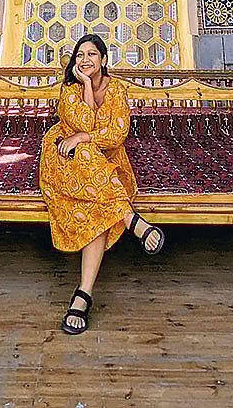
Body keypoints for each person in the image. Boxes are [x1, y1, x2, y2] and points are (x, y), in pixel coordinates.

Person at [38, 33, 165, 335]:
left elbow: (116, 134)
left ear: (104, 59)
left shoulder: (117, 89)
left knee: (97, 204)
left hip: (107, 163)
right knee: (83, 153)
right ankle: (132, 220)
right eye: (80, 55)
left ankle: (83, 294)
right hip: (63, 158)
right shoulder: (69, 88)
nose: (85, 60)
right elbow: (84, 123)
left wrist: (83, 137)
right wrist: (85, 84)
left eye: (92, 54)